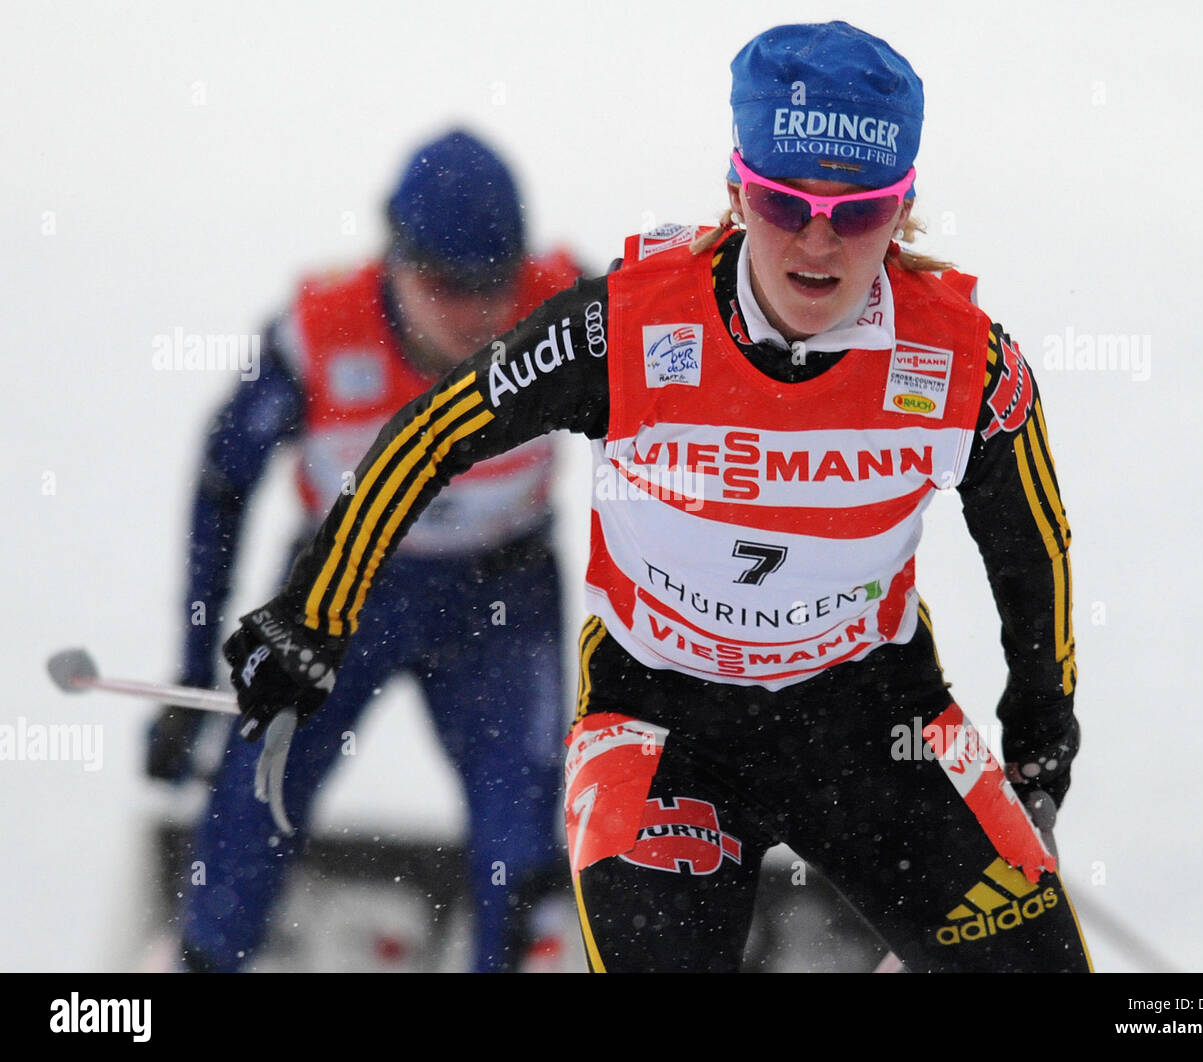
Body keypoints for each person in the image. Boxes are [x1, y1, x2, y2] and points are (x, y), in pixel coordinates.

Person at [217, 23, 1091, 972]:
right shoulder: (628, 326)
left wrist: (1041, 733)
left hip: (873, 718)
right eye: (782, 200)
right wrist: (313, 616)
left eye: (860, 212)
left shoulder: (962, 360)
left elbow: (1032, 546)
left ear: (904, 205)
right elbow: (431, 435)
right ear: (736, 189)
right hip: (663, 722)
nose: (816, 239)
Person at [145, 129, 583, 973]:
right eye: (448, 287)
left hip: (503, 604)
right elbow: (221, 484)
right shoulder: (318, 332)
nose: (476, 315)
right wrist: (190, 666)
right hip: (342, 600)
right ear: (395, 258)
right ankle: (199, 960)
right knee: (251, 805)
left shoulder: (564, 309)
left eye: (495, 285)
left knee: (522, 838)